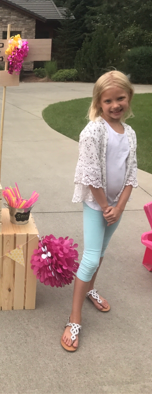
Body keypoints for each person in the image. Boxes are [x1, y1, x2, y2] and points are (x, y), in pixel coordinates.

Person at [61, 71, 138, 352]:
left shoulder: (129, 133)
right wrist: (106, 207)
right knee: (91, 258)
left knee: (101, 253)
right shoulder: (93, 131)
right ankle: (74, 318)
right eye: (108, 100)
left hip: (115, 207)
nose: (115, 105)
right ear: (99, 102)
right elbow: (90, 174)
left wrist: (119, 208)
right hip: (98, 205)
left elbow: (131, 175)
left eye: (120, 98)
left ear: (129, 97)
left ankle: (90, 289)